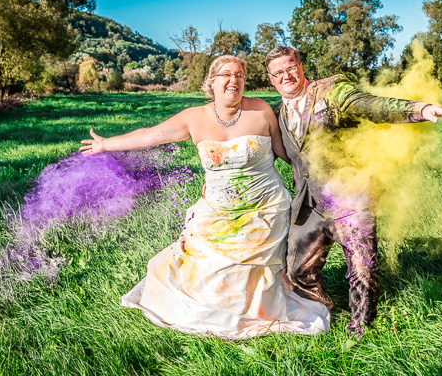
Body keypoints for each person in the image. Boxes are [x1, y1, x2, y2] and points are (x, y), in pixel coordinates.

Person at [80, 55, 329, 339]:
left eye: (240, 75)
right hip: (218, 209)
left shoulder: (261, 111)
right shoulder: (194, 118)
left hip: (266, 207)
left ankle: (257, 307)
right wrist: (105, 144)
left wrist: (324, 171)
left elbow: (287, 154)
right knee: (200, 268)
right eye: (226, 74)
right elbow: (151, 135)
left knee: (250, 273)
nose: (233, 80)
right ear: (212, 82)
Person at [265, 46, 442, 337]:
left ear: (300, 67)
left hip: (349, 194)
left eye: (290, 68)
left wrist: (419, 109)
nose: (286, 75)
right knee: (298, 271)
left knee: (361, 264)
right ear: (271, 79)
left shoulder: (332, 92)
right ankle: (319, 316)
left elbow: (371, 105)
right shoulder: (276, 113)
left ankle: (361, 329)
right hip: (308, 203)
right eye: (278, 73)